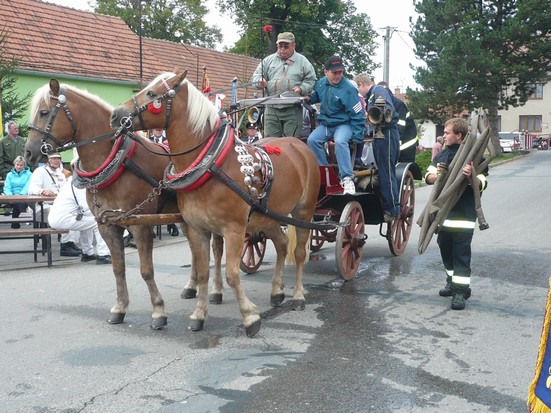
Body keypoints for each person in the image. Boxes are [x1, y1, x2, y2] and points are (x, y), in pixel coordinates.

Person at [424, 117, 488, 310]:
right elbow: (428, 177)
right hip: (443, 215)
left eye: (447, 132)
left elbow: (482, 184)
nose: (443, 135)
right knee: (444, 247)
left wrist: (471, 176)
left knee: (461, 253)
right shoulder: (441, 156)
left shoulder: (476, 158)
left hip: (463, 215)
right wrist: (440, 175)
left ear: (458, 136)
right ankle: (451, 281)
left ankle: (461, 291)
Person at [306, 56, 365, 195]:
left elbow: (358, 114)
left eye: (340, 72)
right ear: (326, 72)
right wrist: (310, 98)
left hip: (344, 124)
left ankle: (347, 178)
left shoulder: (349, 89)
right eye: (334, 73)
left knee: (340, 141)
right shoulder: (321, 83)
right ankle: (325, 172)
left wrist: (358, 135)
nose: (338, 76)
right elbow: (318, 96)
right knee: (312, 140)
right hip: (327, 123)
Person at [252, 32, 316, 138]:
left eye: (286, 46)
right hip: (271, 108)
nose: (282, 49)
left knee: (291, 143)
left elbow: (311, 80)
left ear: (294, 45)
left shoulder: (302, 61)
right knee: (270, 143)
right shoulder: (268, 61)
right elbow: (255, 77)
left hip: (293, 109)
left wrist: (301, 89)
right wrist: (260, 81)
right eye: (280, 46)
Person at [355, 74, 400, 221]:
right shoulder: (375, 93)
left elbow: (386, 111)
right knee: (385, 172)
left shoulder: (378, 91)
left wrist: (372, 118)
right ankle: (391, 206)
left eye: (357, 88)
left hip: (385, 135)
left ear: (361, 84)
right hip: (383, 135)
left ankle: (392, 209)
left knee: (386, 173)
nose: (358, 91)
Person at [48, 174, 112, 264]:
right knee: (100, 222)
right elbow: (86, 207)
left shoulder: (72, 182)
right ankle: (103, 255)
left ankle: (88, 253)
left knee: (88, 221)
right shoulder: (78, 186)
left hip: (60, 217)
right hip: (62, 219)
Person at [27, 153, 82, 257]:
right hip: (41, 207)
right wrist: (42, 191)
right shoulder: (40, 172)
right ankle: (65, 245)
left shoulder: (61, 174)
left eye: (58, 158)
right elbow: (31, 189)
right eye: (53, 158)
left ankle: (70, 242)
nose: (56, 160)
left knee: (77, 212)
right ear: (48, 160)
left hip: (56, 206)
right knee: (66, 214)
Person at [2, 156, 32, 228]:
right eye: (17, 165)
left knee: (19, 201)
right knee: (17, 202)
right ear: (14, 165)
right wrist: (10, 195)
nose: (19, 167)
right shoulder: (9, 175)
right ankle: (23, 215)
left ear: (24, 166)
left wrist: (21, 194)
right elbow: (7, 187)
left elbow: (28, 186)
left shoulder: (29, 174)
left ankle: (15, 224)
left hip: (24, 196)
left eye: (21, 165)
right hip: (11, 196)